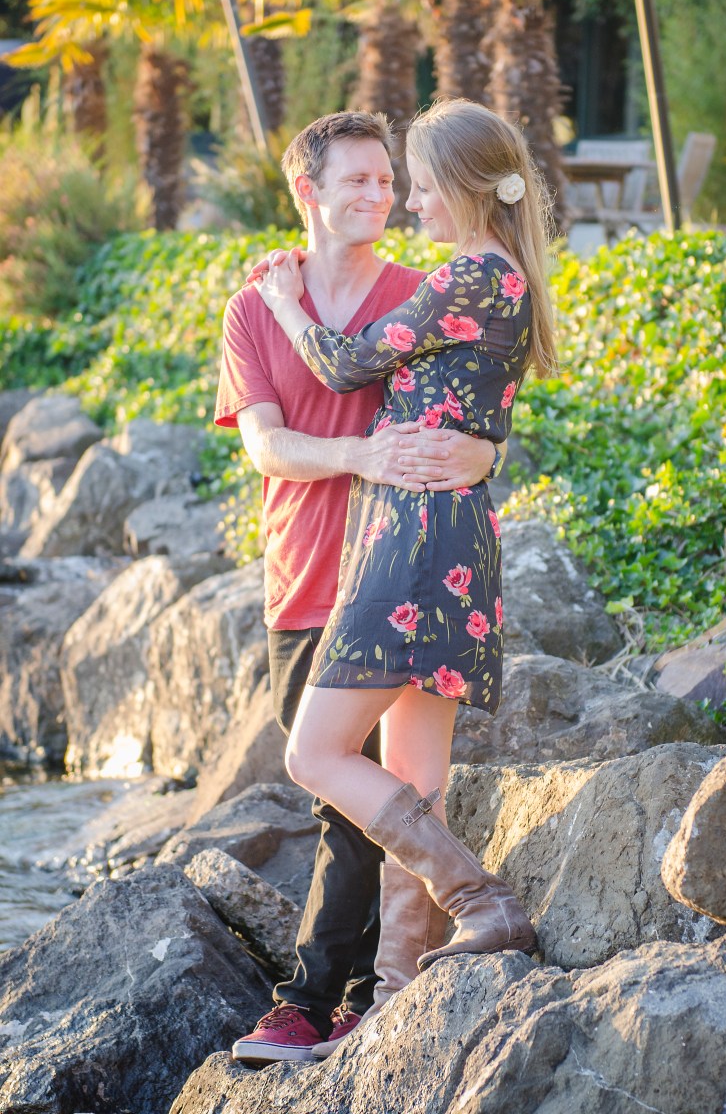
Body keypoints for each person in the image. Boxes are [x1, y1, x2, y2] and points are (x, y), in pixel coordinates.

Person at [253, 98, 557, 1033]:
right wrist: (483, 451)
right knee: (413, 776)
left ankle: (480, 903)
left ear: (465, 185)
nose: (407, 202)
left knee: (314, 753)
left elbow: (347, 365)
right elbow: (474, 412)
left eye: (418, 184)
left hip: (414, 538)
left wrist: (281, 300)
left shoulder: (470, 272)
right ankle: (391, 999)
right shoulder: (500, 275)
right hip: (449, 531)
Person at [214, 110, 500, 1065]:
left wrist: (484, 451)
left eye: (388, 178)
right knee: (341, 795)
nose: (381, 196)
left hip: (394, 571)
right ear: (308, 191)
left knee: (370, 796)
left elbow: (469, 408)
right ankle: (361, 998)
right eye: (360, 180)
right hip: (304, 578)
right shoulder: (255, 308)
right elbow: (267, 446)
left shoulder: (419, 292)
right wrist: (362, 453)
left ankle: (318, 1005)